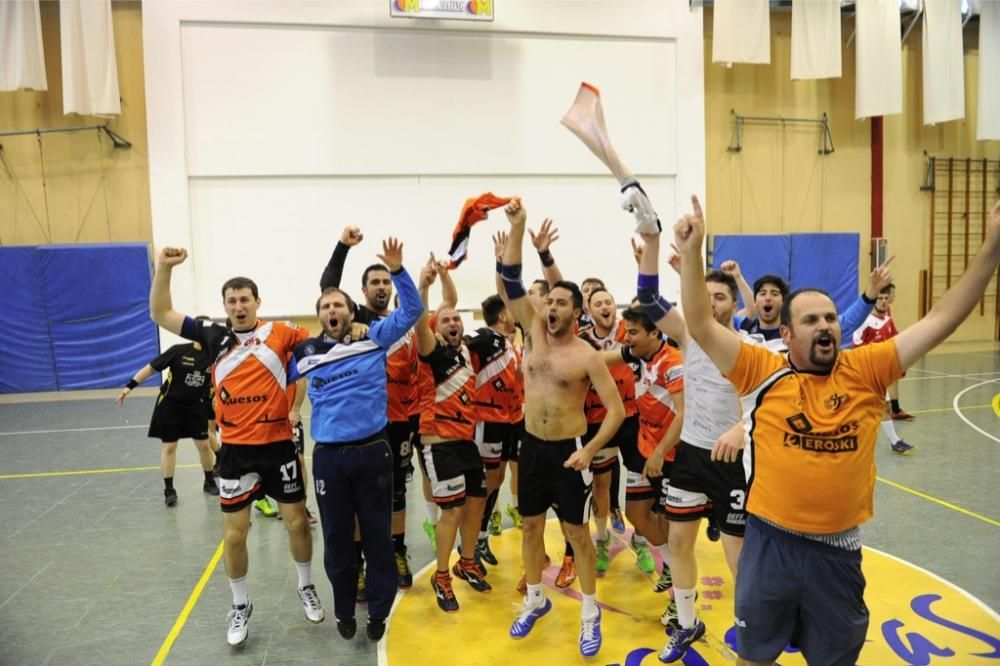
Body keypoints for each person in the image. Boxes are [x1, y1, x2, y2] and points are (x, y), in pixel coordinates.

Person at [673, 196, 1000, 666]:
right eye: (811, 320)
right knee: (754, 657)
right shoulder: (760, 370)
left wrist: (991, 247)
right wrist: (691, 253)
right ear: (786, 335)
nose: (825, 326)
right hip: (770, 545)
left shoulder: (866, 368)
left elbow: (941, 320)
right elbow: (701, 323)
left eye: (830, 318)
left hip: (837, 552)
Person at [149, 248, 324, 647]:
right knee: (234, 535)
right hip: (236, 452)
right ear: (224, 306)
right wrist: (164, 268)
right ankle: (241, 605)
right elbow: (161, 313)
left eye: (246, 299)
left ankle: (305, 585)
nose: (239, 305)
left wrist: (354, 329)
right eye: (232, 300)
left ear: (257, 303)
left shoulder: (281, 333)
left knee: (297, 523)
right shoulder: (213, 335)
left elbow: (324, 341)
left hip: (279, 446)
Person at [500, 197, 625, 658]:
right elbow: (511, 279)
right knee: (531, 528)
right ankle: (536, 600)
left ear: (576, 314)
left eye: (559, 303)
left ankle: (591, 616)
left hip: (571, 453)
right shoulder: (532, 329)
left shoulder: (587, 356)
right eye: (548, 301)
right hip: (531, 446)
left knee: (576, 535)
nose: (550, 307)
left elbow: (615, 411)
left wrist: (591, 450)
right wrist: (519, 227)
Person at [289, 237, 423, 642]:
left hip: (372, 451)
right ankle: (344, 609)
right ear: (319, 316)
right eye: (326, 307)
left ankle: (379, 613)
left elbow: (414, 311)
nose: (333, 310)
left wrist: (398, 271)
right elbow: (270, 376)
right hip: (329, 457)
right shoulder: (305, 351)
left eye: (340, 306)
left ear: (352, 312)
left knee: (379, 538)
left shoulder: (374, 336)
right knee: (336, 540)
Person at [632, 234, 749, 660]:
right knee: (679, 543)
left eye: (720, 297)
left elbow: (761, 406)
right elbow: (647, 297)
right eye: (707, 295)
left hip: (734, 463)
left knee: (737, 556)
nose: (712, 303)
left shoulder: (749, 348)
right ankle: (687, 623)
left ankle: (749, 630)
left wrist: (741, 427)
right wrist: (650, 242)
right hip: (691, 455)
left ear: (734, 305)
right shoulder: (689, 335)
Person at [116, 329, 218, 505]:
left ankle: (209, 481)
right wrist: (129, 386)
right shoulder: (178, 351)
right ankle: (169, 489)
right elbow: (150, 368)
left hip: (196, 406)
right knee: (169, 447)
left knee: (203, 444)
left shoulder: (215, 357)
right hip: (170, 405)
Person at [852, 284, 914, 454]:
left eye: (886, 298)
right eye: (879, 298)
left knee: (883, 408)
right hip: (864, 373)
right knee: (860, 409)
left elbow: (895, 342)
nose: (883, 302)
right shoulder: (865, 322)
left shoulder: (888, 321)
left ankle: (895, 442)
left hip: (878, 375)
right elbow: (856, 345)